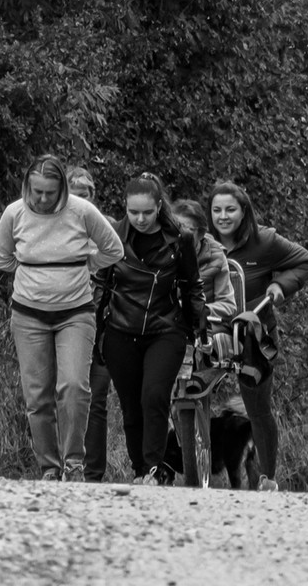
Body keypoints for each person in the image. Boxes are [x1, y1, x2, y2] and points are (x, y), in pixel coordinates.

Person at [0, 153, 122, 482]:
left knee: (74, 386)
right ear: (27, 187)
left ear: (62, 188)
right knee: (37, 394)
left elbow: (113, 249)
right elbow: (0, 258)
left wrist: (86, 266)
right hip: (28, 314)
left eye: (50, 192)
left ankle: (73, 462)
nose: (43, 199)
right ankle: (49, 468)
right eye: (37, 191)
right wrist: (32, 274)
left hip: (75, 313)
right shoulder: (14, 213)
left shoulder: (82, 211)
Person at [98, 172, 207, 487]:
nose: (140, 219)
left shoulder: (181, 239)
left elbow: (192, 284)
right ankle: (139, 470)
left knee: (154, 396)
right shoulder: (113, 236)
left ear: (160, 206)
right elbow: (101, 286)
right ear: (125, 208)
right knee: (131, 406)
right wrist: (95, 330)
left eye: (147, 212)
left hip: (165, 328)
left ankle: (154, 469)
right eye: (134, 212)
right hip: (121, 328)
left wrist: (198, 325)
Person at [209, 177, 308, 492]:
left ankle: (268, 476)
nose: (223, 216)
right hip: (214, 325)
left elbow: (304, 261)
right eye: (217, 210)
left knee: (257, 406)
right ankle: (192, 461)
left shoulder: (264, 241)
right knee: (190, 391)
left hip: (254, 328)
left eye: (230, 209)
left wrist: (279, 286)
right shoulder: (202, 243)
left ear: (244, 211)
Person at [65, 165, 114, 485]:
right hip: (66, 321)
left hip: (104, 325)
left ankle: (93, 473)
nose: (81, 202)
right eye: (74, 195)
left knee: (96, 398)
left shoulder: (107, 230)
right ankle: (62, 466)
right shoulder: (54, 228)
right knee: (64, 394)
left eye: (85, 195)